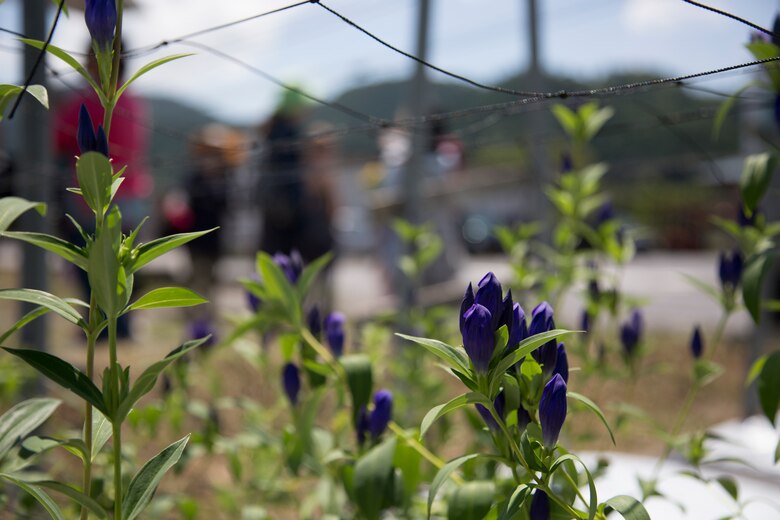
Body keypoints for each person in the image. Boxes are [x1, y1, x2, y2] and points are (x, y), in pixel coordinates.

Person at [52, 45, 152, 339]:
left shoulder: (85, 101)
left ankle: (102, 331)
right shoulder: (134, 102)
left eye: (88, 56)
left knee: (92, 272)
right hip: (134, 194)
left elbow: (58, 141)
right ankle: (122, 329)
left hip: (92, 197)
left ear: (98, 59)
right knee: (121, 270)